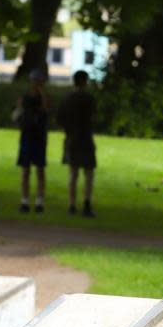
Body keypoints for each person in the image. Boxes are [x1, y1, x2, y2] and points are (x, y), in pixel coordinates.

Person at [57, 70, 98, 217]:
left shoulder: (67, 99)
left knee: (73, 173)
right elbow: (93, 117)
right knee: (89, 173)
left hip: (71, 138)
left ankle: (72, 205)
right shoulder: (89, 99)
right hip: (85, 138)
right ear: (85, 82)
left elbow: (60, 119)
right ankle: (86, 203)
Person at [14, 68, 49, 213]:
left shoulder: (44, 98)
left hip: (39, 136)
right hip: (28, 136)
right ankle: (25, 200)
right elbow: (18, 113)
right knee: (26, 169)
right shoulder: (25, 98)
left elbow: (46, 110)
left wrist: (42, 95)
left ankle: (39, 201)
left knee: (39, 169)